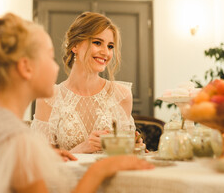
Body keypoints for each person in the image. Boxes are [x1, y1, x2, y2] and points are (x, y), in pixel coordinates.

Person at [0, 13, 153, 193]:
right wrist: (100, 169)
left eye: (110, 46)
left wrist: (46, 159)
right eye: (49, 56)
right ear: (26, 67)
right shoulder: (18, 140)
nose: (57, 65)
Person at [31, 12, 142, 153]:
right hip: (69, 175)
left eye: (110, 46)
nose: (106, 53)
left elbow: (127, 153)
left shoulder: (122, 95)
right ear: (75, 46)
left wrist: (135, 147)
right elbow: (42, 162)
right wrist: (82, 148)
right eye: (97, 43)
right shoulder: (49, 98)